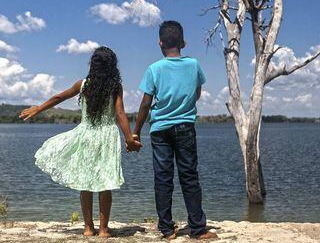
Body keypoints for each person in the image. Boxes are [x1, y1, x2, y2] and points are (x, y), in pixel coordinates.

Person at [19, 46, 141, 238]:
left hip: (86, 134)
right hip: (107, 136)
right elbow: (120, 114)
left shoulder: (83, 84)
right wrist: (129, 139)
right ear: (112, 66)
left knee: (85, 181)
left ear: (92, 65)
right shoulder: (115, 87)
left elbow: (59, 97)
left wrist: (38, 108)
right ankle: (103, 230)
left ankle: (87, 228)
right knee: (105, 182)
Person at [133, 21, 217, 240]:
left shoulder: (154, 69)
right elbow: (196, 93)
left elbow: (145, 104)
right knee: (189, 177)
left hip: (159, 129)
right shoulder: (194, 65)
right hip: (185, 127)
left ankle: (167, 229)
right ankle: (198, 229)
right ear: (183, 43)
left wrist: (136, 132)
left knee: (163, 178)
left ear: (160, 43)